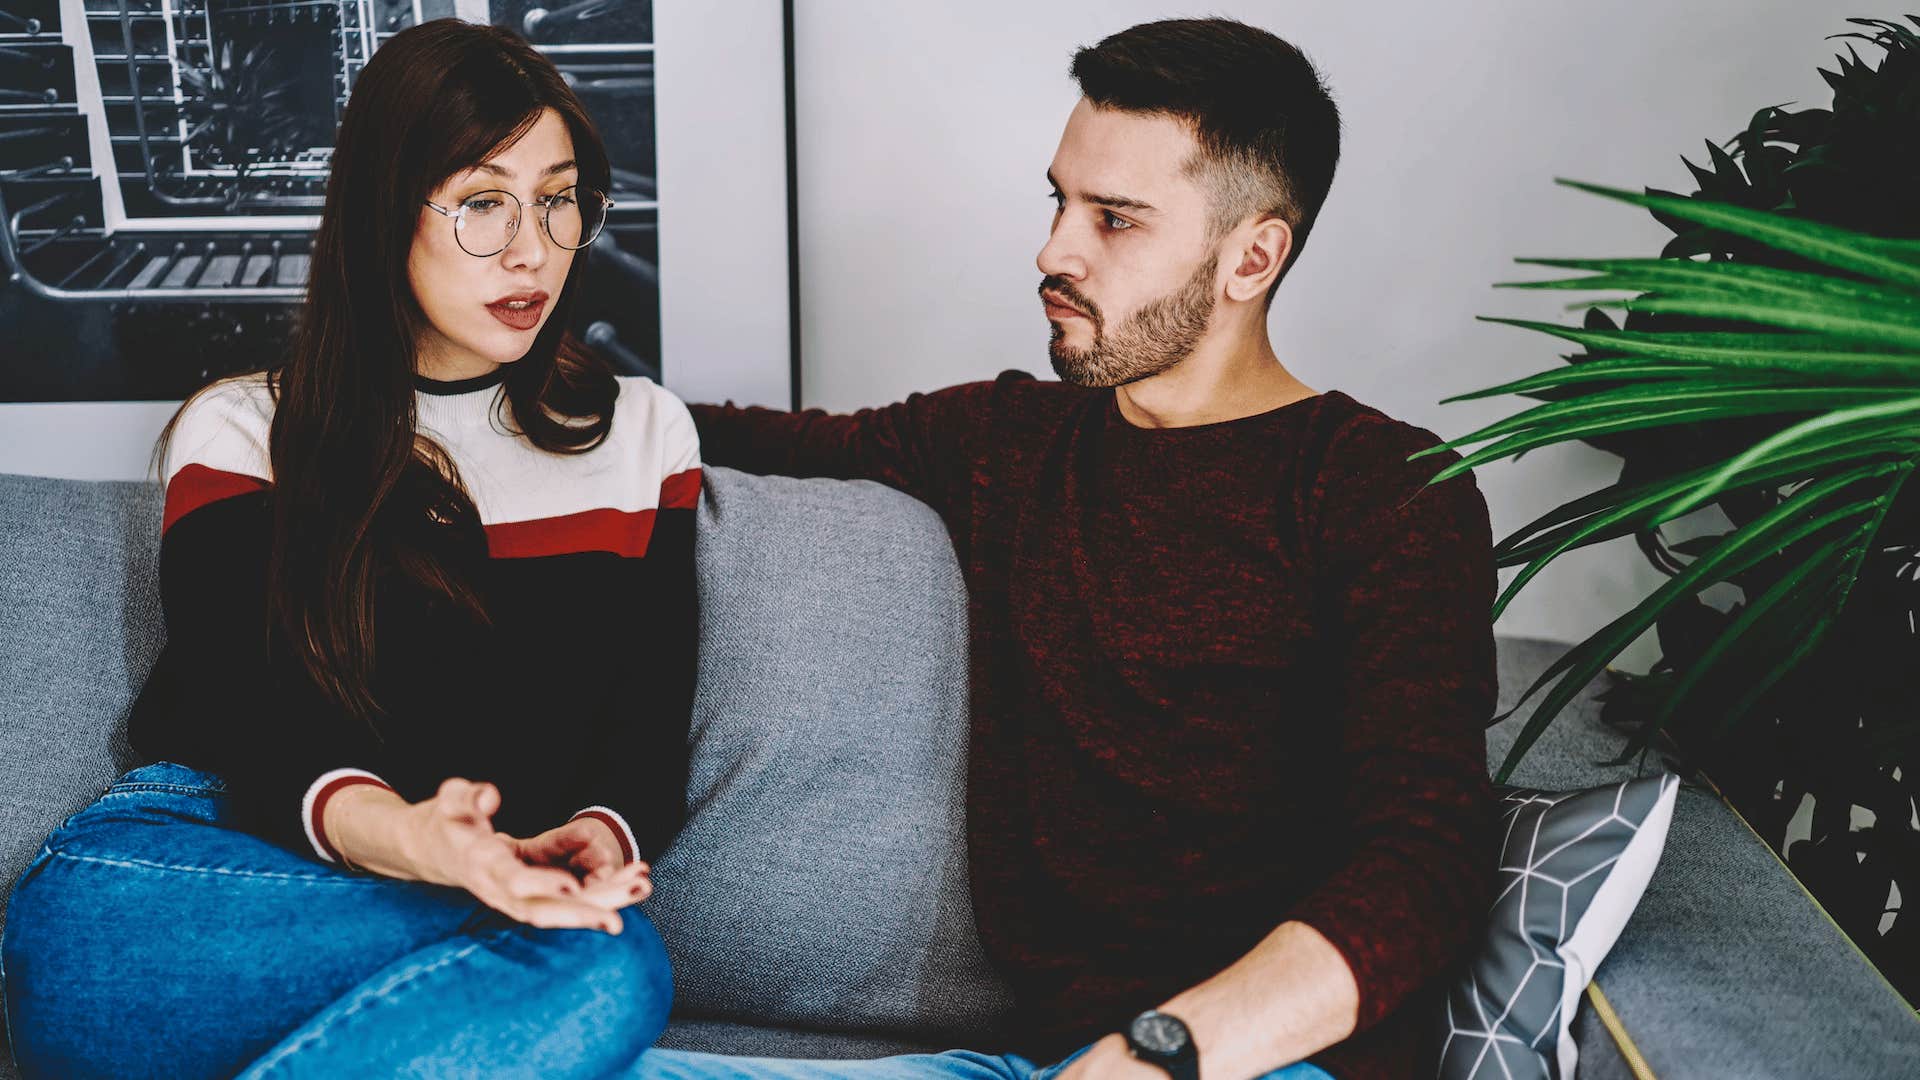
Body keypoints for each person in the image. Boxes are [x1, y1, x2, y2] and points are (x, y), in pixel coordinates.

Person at [629, 17, 1497, 1080]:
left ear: (1253, 255)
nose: (1055, 251)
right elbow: (750, 435)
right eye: (1061, 201)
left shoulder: (1382, 491)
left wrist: (1165, 1052)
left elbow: (1429, 861)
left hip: (1249, 1063)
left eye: (1116, 219)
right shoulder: (1007, 443)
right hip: (1018, 1065)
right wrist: (472, 414)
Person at [0, 19, 697, 1079]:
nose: (531, 248)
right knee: (605, 969)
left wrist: (591, 845)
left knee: (602, 965)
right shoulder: (241, 429)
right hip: (184, 887)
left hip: (480, 901)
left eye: (558, 199)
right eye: (480, 203)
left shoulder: (643, 436)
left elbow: (643, 730)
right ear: (384, 215)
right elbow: (258, 727)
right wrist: (433, 848)